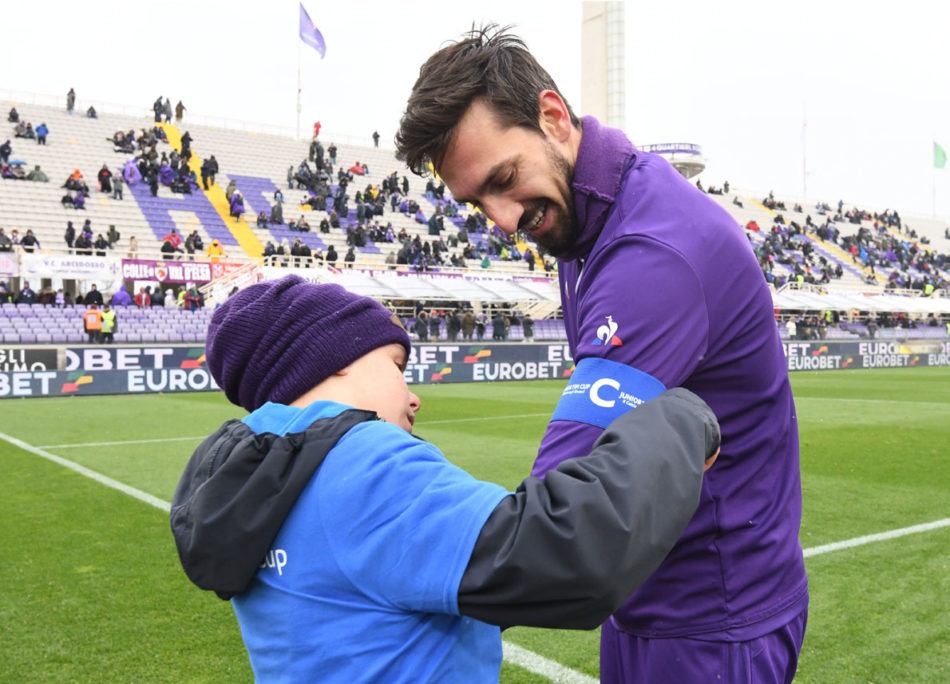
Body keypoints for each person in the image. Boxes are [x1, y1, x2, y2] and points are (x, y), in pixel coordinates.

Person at [395, 26, 807, 682]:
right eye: (477, 202)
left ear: (553, 117)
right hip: (652, 599)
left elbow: (558, 528)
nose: (501, 220)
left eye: (504, 178)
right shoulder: (580, 218)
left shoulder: (653, 253)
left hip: (712, 620)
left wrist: (385, 574)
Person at [170, 275, 719, 683]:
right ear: (333, 362)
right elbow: (562, 556)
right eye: (395, 366)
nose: (413, 396)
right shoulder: (359, 459)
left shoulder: (261, 478)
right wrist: (681, 420)